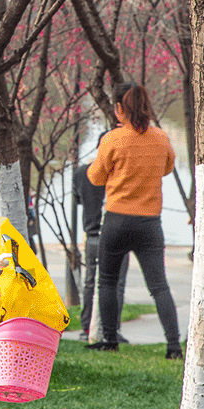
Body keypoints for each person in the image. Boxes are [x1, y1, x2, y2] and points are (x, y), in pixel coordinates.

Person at [86, 81, 182, 358]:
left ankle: (110, 340)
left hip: (116, 220)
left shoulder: (112, 140)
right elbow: (167, 167)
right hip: (149, 223)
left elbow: (95, 177)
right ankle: (174, 346)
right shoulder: (161, 138)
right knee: (159, 285)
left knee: (107, 280)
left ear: (119, 109)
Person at [72, 161, 128, 343]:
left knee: (90, 282)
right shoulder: (119, 171)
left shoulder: (81, 172)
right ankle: (111, 330)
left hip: (91, 235)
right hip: (116, 234)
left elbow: (77, 199)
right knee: (116, 283)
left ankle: (87, 327)